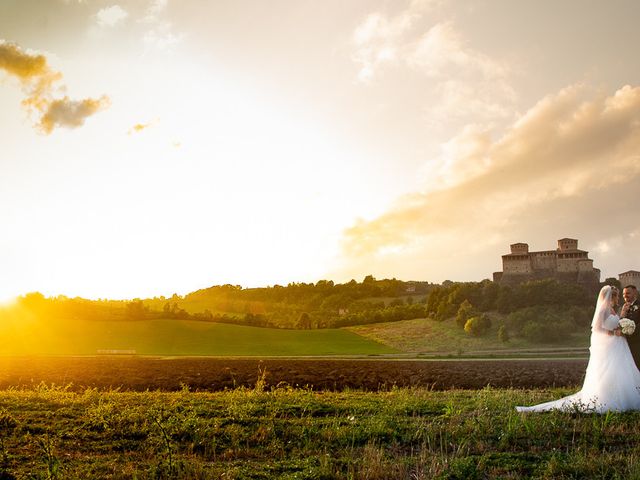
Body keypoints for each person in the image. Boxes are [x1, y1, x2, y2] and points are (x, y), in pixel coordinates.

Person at [516, 285, 640, 413]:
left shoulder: (614, 310)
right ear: (611, 297)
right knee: (609, 371)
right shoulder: (603, 309)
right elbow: (597, 329)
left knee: (620, 371)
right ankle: (609, 398)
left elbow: (616, 324)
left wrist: (623, 318)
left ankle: (624, 396)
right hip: (611, 345)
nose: (619, 298)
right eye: (617, 295)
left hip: (618, 344)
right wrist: (614, 333)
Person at [621, 285, 640, 370]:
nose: (625, 295)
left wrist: (631, 332)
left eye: (628, 293)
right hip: (625, 344)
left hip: (637, 343)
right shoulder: (623, 307)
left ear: (635, 293)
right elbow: (620, 322)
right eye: (624, 294)